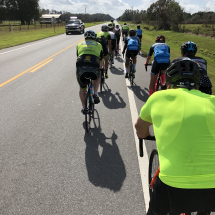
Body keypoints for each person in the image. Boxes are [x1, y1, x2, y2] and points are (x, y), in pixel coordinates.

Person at [135, 59, 215, 215]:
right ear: (197, 84)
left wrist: (146, 135)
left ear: (169, 83)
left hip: (173, 186)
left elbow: (140, 128)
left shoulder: (157, 98)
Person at [76, 30, 103, 114]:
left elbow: (79, 56)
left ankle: (84, 108)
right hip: (94, 68)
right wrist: (100, 69)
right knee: (98, 75)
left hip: (81, 69)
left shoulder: (79, 44)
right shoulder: (98, 45)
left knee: (82, 89)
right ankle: (95, 93)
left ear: (85, 38)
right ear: (94, 38)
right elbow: (100, 62)